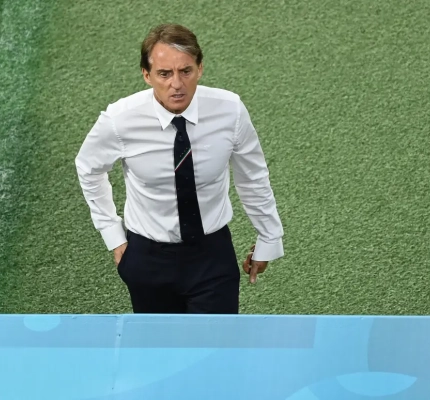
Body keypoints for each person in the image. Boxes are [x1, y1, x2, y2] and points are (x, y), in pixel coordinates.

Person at [74, 23, 284, 314]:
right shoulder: (120, 120)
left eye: (186, 71)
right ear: (146, 75)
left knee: (217, 342)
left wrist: (269, 237)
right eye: (164, 73)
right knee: (158, 344)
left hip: (212, 256)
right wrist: (113, 234)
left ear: (200, 69)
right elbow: (88, 167)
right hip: (147, 258)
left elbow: (253, 176)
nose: (177, 84)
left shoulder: (230, 110)